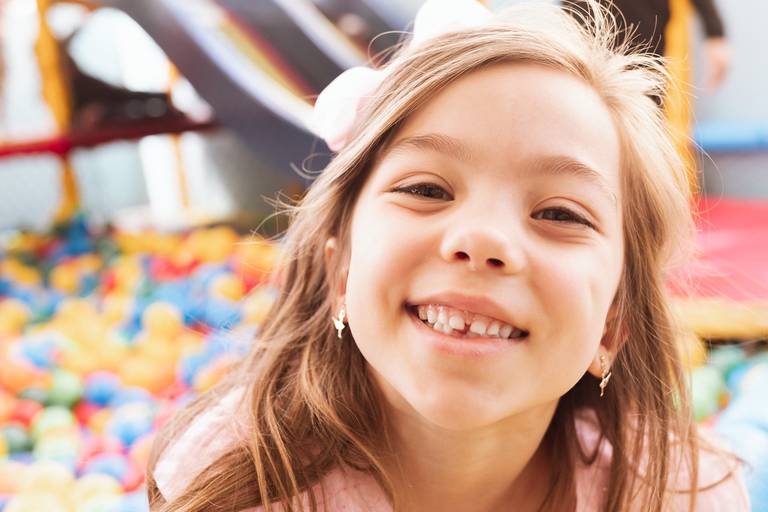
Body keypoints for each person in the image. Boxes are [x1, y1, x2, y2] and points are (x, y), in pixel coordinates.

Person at [145, 1, 750, 510]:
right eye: (427, 189)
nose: (483, 239)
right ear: (340, 271)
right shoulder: (232, 484)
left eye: (560, 214)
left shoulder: (679, 497)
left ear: (614, 322)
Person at [564, 0, 731, 93]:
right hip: (584, 24)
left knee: (644, 103)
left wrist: (715, 31)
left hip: (643, 28)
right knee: (580, 94)